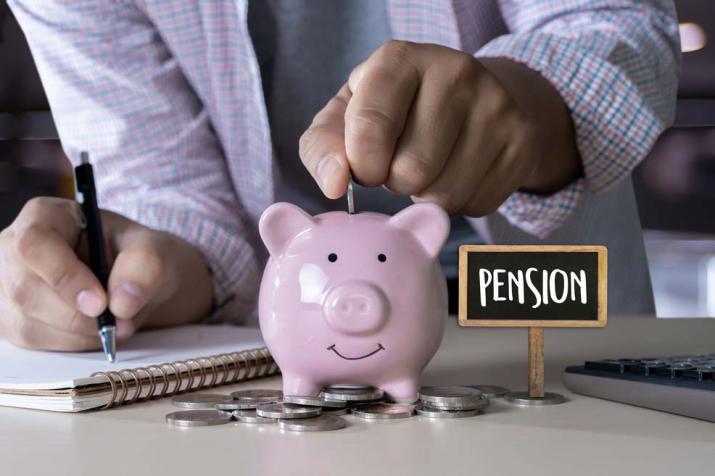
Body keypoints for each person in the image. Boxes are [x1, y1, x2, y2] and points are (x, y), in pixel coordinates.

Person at [0, 0, 679, 351]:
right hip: (276, 326)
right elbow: (167, 186)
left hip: (532, 290)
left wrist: (523, 105)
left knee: (572, 434)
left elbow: (606, 24)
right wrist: (143, 267)